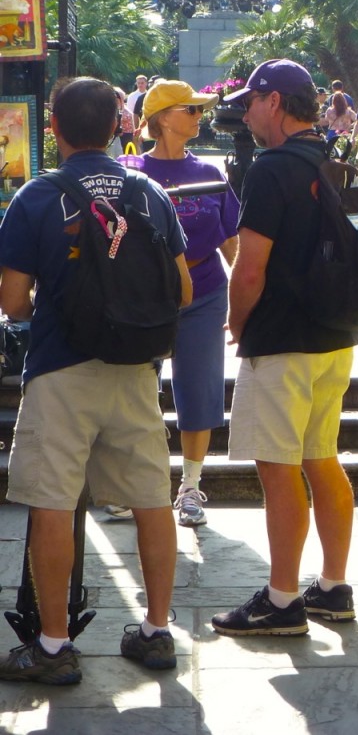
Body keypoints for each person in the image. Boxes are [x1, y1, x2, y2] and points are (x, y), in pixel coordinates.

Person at [0, 77, 191, 684]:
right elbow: (183, 289)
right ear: (118, 126)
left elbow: (13, 301)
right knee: (151, 499)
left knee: (52, 500)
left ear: (52, 128)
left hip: (60, 368)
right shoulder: (150, 191)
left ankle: (54, 647)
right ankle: (157, 632)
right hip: (135, 368)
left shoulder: (36, 196)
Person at [211, 58, 358, 636]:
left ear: (274, 102)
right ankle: (334, 587)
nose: (246, 112)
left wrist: (237, 322)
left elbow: (249, 271)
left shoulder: (270, 169)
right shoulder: (331, 159)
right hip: (334, 335)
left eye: (250, 101)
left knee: (278, 470)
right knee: (322, 458)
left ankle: (281, 600)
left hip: (282, 339)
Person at [140, 81, 239, 525]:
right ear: (161, 118)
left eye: (200, 111)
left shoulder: (211, 173)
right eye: (190, 110)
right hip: (145, 296)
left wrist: (242, 294)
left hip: (205, 291)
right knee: (138, 391)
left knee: (200, 389)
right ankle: (140, 483)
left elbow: (231, 238)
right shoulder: (130, 171)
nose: (199, 118)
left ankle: (191, 486)